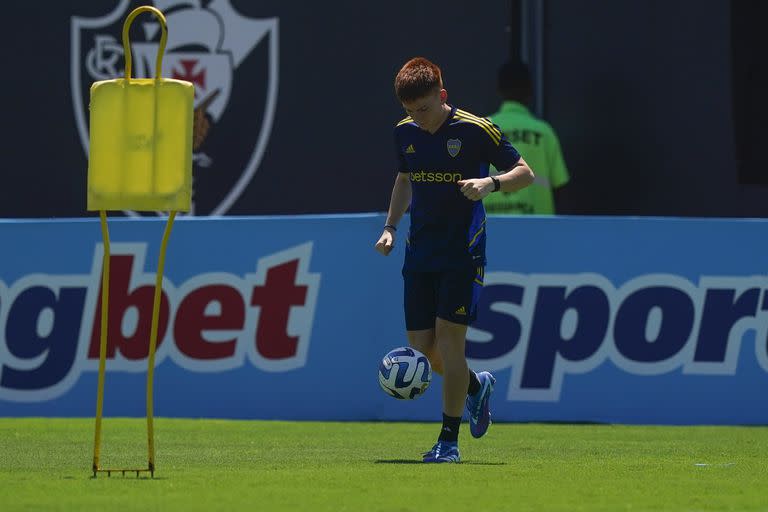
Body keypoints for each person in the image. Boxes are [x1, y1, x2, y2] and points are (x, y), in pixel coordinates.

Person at [374, 57, 535, 463]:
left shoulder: (475, 129)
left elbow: (525, 172)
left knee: (450, 342)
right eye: (409, 112)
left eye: (424, 109)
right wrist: (391, 226)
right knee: (425, 351)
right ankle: (476, 389)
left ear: (442, 96)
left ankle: (448, 441)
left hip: (463, 253)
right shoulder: (404, 134)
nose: (418, 119)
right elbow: (404, 179)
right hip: (419, 253)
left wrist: (490, 182)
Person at [483, 60, 569, 215]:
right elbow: (560, 188)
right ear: (530, 91)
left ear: (499, 90)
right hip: (537, 228)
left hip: (493, 226)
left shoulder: (483, 128)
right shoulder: (544, 133)